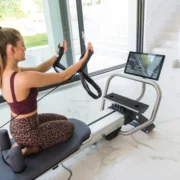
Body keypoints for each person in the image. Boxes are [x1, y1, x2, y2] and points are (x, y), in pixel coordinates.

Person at [0, 27, 94, 156]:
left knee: (63, 119)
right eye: (22, 45)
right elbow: (64, 76)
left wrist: (57, 55)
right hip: (29, 132)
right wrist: (84, 59)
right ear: (11, 49)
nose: (25, 48)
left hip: (19, 128)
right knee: (69, 127)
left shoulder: (6, 73)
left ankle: (23, 143)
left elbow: (39, 69)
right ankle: (33, 147)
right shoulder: (22, 78)